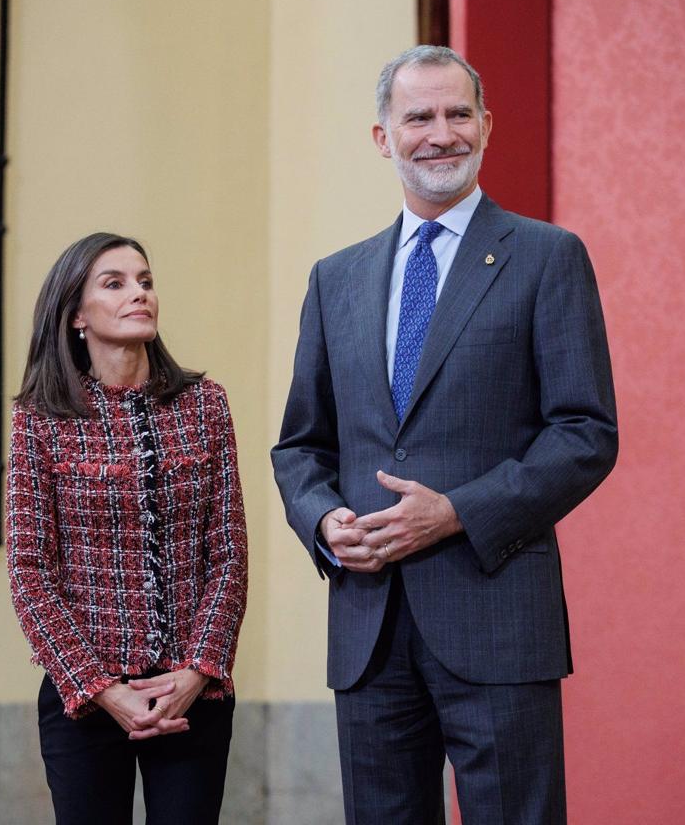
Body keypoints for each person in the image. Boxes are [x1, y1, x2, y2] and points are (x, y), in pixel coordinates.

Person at [271, 45, 618, 824]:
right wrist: (325, 523)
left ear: (487, 127)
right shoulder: (337, 278)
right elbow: (300, 446)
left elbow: (585, 432)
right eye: (418, 116)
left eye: (458, 114)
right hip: (368, 627)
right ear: (382, 137)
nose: (440, 133)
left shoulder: (547, 258)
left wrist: (457, 510)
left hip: (496, 616)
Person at [7, 232, 248, 825]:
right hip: (85, 700)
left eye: (144, 280)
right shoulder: (40, 420)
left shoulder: (205, 404)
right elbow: (29, 571)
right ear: (75, 317)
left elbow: (229, 558)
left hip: (193, 697)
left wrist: (196, 671)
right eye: (113, 284)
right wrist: (100, 687)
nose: (138, 293)